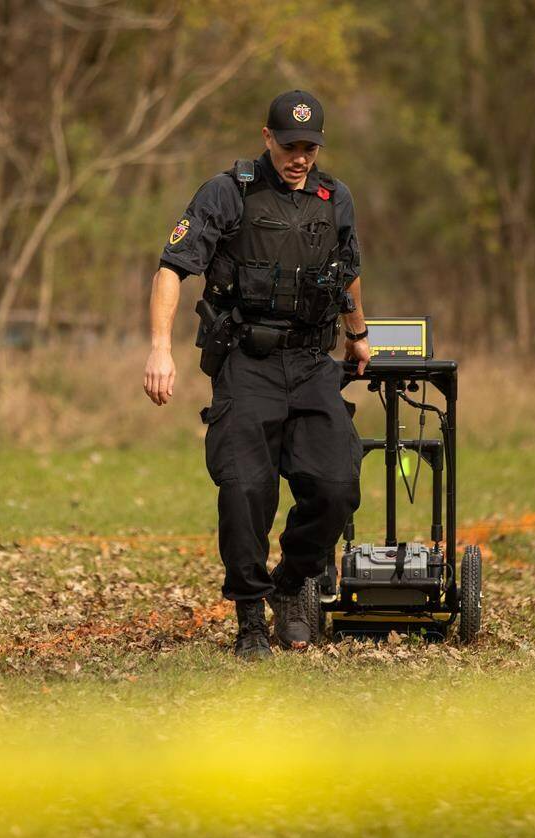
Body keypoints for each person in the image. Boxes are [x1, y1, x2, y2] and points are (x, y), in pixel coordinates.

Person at [142, 90, 371, 660]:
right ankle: (250, 615)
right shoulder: (227, 193)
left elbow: (349, 270)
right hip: (248, 362)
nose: (301, 157)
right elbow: (173, 268)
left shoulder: (333, 196)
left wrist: (359, 333)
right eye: (291, 145)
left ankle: (294, 584)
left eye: (310, 147)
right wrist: (159, 349)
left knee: (338, 484)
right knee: (245, 490)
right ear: (266, 137)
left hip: (313, 360)